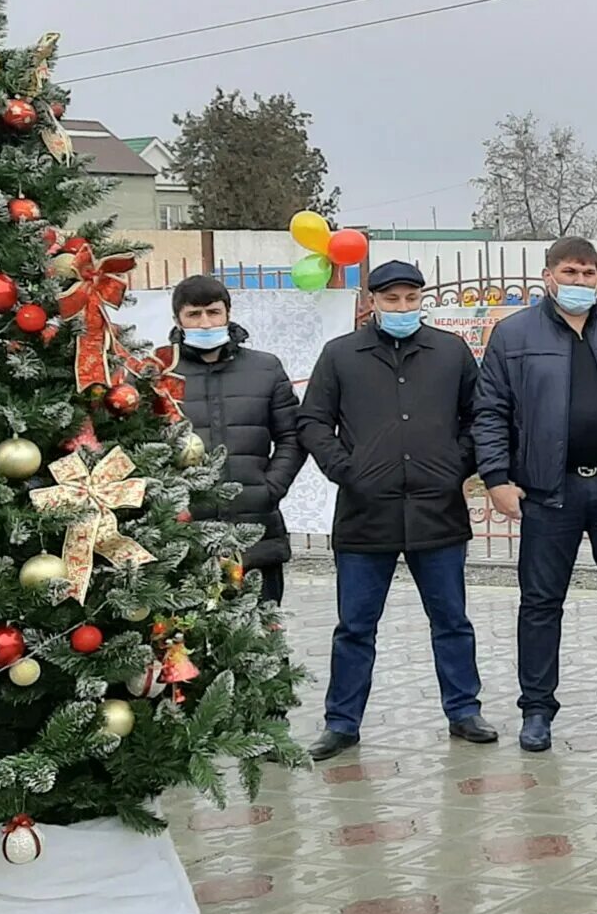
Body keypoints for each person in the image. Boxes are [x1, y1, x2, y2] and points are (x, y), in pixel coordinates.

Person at [476, 237, 597, 749]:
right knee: (541, 603)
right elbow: (491, 410)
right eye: (570, 272)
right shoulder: (513, 334)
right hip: (548, 491)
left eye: (589, 274)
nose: (580, 282)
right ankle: (537, 709)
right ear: (548, 276)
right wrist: (496, 477)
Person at [296, 261, 496, 759]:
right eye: (391, 300)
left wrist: (458, 464)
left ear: (422, 301)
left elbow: (480, 416)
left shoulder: (450, 352)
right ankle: (342, 721)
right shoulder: (340, 355)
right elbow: (314, 421)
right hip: (366, 514)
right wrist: (346, 470)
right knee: (355, 626)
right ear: (371, 302)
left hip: (438, 511)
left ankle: (464, 709)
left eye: (411, 299)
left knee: (451, 619)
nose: (402, 308)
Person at [169, 275, 304, 606]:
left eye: (213, 313)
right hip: (185, 536)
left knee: (263, 642)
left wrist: (270, 487)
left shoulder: (265, 368)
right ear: (178, 320)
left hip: (256, 532)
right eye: (194, 315)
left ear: (228, 313)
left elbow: (293, 436)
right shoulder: (160, 373)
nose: (205, 323)